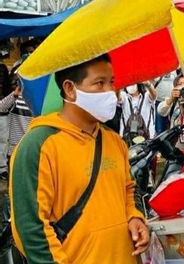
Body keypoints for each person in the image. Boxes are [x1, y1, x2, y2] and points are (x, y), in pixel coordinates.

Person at [9, 54, 148, 263]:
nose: (110, 92)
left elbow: (129, 188)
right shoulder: (38, 146)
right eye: (99, 83)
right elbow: (30, 228)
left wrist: (135, 216)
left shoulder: (114, 141)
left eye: (111, 82)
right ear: (70, 89)